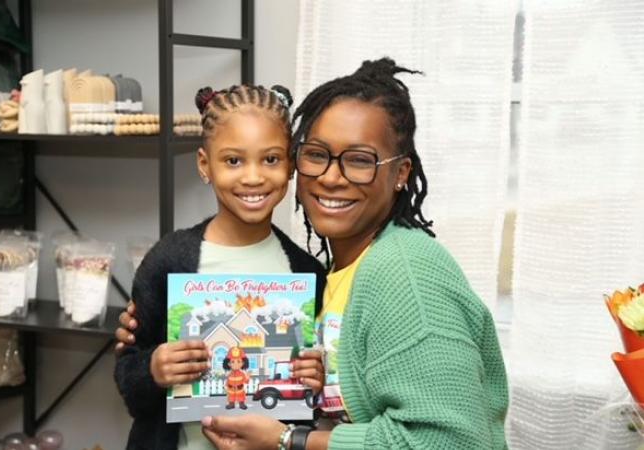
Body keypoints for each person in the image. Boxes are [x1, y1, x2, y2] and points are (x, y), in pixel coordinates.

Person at [118, 58, 509, 450]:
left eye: (360, 160)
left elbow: (449, 440)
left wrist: (290, 438)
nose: (332, 177)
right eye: (318, 154)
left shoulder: (402, 273)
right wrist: (151, 365)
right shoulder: (333, 274)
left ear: (402, 173)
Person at [113, 84, 327, 450]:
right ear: (204, 165)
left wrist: (317, 378)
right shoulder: (169, 260)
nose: (253, 176)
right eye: (233, 160)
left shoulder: (307, 272)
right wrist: (153, 369)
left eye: (271, 159)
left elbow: (312, 402)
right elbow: (128, 373)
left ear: (291, 165)